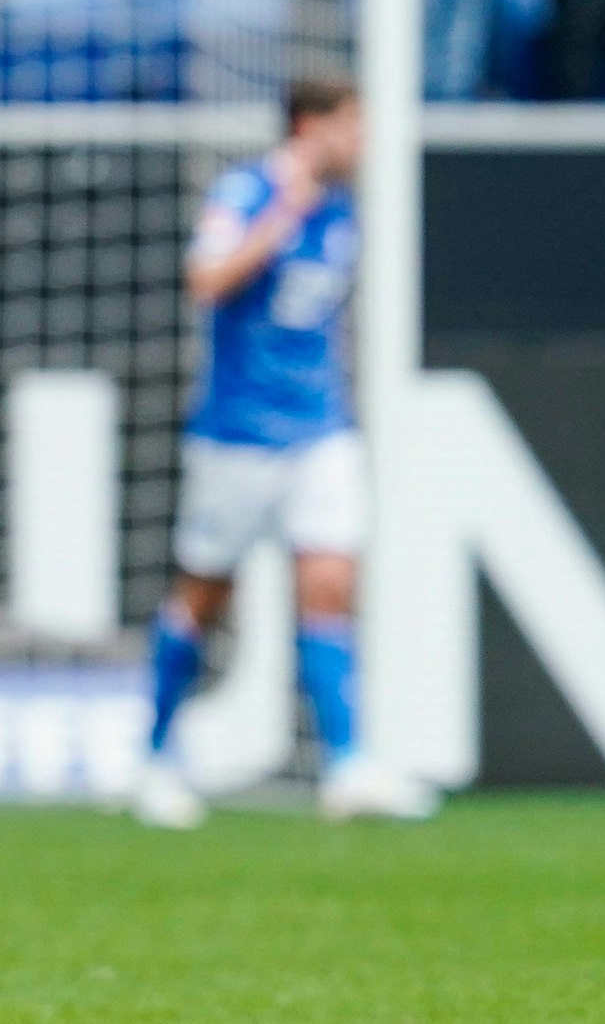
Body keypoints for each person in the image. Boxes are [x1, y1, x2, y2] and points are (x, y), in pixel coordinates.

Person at [133, 78, 438, 830]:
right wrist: (278, 218)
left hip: (319, 429)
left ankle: (348, 765)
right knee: (205, 593)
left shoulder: (344, 208)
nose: (362, 143)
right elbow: (205, 280)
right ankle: (154, 755)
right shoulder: (246, 191)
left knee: (330, 578)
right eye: (352, 127)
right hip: (236, 435)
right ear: (311, 125)